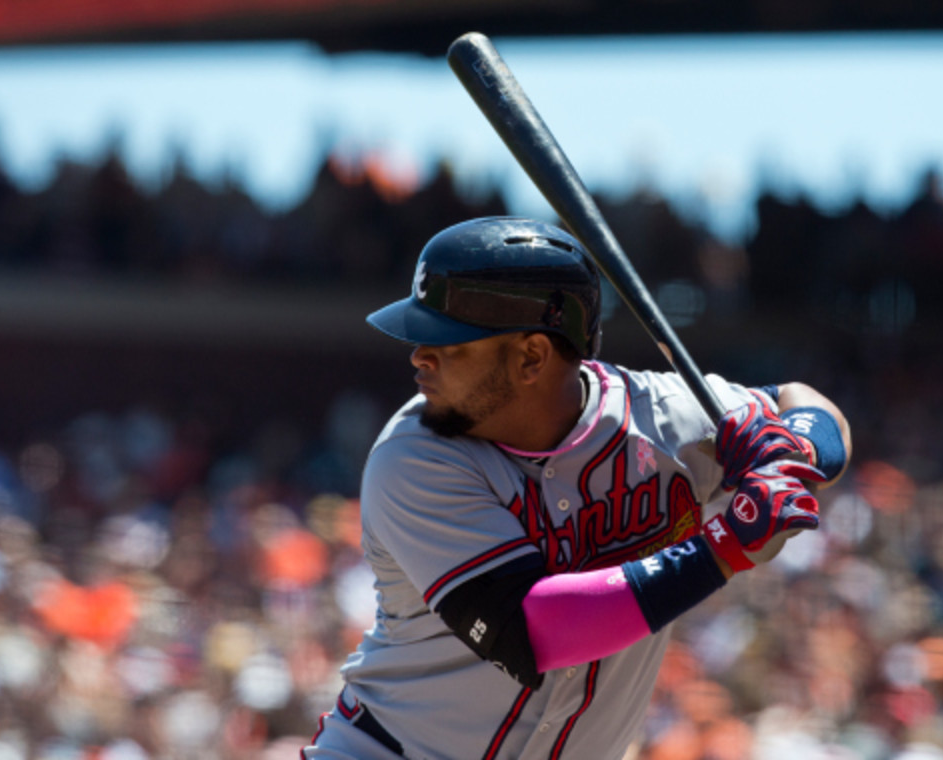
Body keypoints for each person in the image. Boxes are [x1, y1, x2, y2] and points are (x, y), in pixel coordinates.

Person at [302, 216, 851, 760]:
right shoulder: (413, 455)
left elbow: (804, 402)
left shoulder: (663, 419)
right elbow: (534, 630)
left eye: (450, 342)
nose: (419, 356)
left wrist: (792, 453)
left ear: (532, 357)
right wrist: (723, 548)